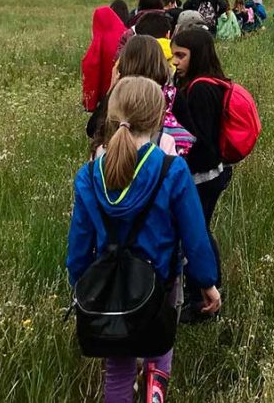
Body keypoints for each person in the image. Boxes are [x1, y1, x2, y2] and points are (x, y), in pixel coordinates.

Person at [67, 76, 221, 403]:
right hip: (161, 283)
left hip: (110, 287)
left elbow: (79, 242)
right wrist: (206, 282)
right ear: (159, 119)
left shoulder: (89, 175)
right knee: (159, 349)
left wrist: (80, 283)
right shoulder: (172, 170)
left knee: (118, 365)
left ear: (111, 116)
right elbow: (195, 235)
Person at [169, 28, 234, 323]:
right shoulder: (204, 84)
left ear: (198, 56)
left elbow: (199, 140)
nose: (175, 61)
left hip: (203, 176)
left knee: (198, 233)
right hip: (209, 173)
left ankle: (204, 297)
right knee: (201, 230)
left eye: (181, 55)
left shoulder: (200, 90)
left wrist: (178, 108)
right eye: (174, 55)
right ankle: (205, 290)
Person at [82, 5, 128, 113]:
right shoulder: (126, 33)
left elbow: (91, 68)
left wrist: (89, 103)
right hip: (129, 89)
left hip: (107, 93)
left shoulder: (100, 41)